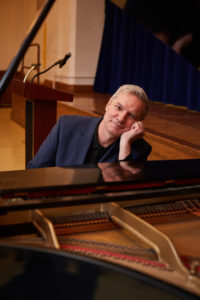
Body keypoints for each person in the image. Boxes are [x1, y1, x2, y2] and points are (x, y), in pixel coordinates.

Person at [27, 84, 152, 169]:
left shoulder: (139, 149)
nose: (121, 118)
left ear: (138, 123)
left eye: (132, 116)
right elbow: (36, 169)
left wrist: (125, 143)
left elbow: (127, 191)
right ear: (108, 104)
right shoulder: (66, 126)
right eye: (119, 108)